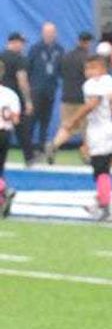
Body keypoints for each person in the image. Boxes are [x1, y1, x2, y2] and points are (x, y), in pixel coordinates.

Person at [52, 55, 112, 221]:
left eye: (91, 68)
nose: (88, 72)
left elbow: (92, 104)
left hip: (103, 129)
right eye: (87, 69)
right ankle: (100, 201)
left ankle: (105, 207)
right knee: (104, 167)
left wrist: (73, 120)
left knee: (100, 169)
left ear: (101, 68)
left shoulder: (95, 84)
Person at [27, 22, 64, 162]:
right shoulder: (35, 49)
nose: (49, 35)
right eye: (47, 33)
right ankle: (29, 148)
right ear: (42, 33)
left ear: (55, 34)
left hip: (50, 90)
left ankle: (41, 147)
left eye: (52, 33)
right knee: (32, 119)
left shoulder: (59, 50)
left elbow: (61, 69)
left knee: (45, 120)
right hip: (36, 89)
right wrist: (30, 87)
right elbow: (28, 68)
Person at [0, 33, 33, 165]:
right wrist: (28, 100)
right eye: (21, 43)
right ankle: (29, 157)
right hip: (13, 98)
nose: (22, 46)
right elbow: (22, 80)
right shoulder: (19, 59)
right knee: (22, 129)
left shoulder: (1, 56)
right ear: (15, 42)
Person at [58, 31, 92, 154]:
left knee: (66, 126)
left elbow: (60, 73)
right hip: (82, 99)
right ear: (88, 42)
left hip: (66, 96)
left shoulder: (66, 56)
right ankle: (87, 155)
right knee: (86, 130)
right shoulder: (87, 59)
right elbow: (89, 77)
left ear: (78, 40)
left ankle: (54, 145)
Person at [0, 60, 19, 216]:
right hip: (6, 133)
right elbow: (16, 119)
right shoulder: (10, 93)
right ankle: (2, 201)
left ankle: (5, 191)